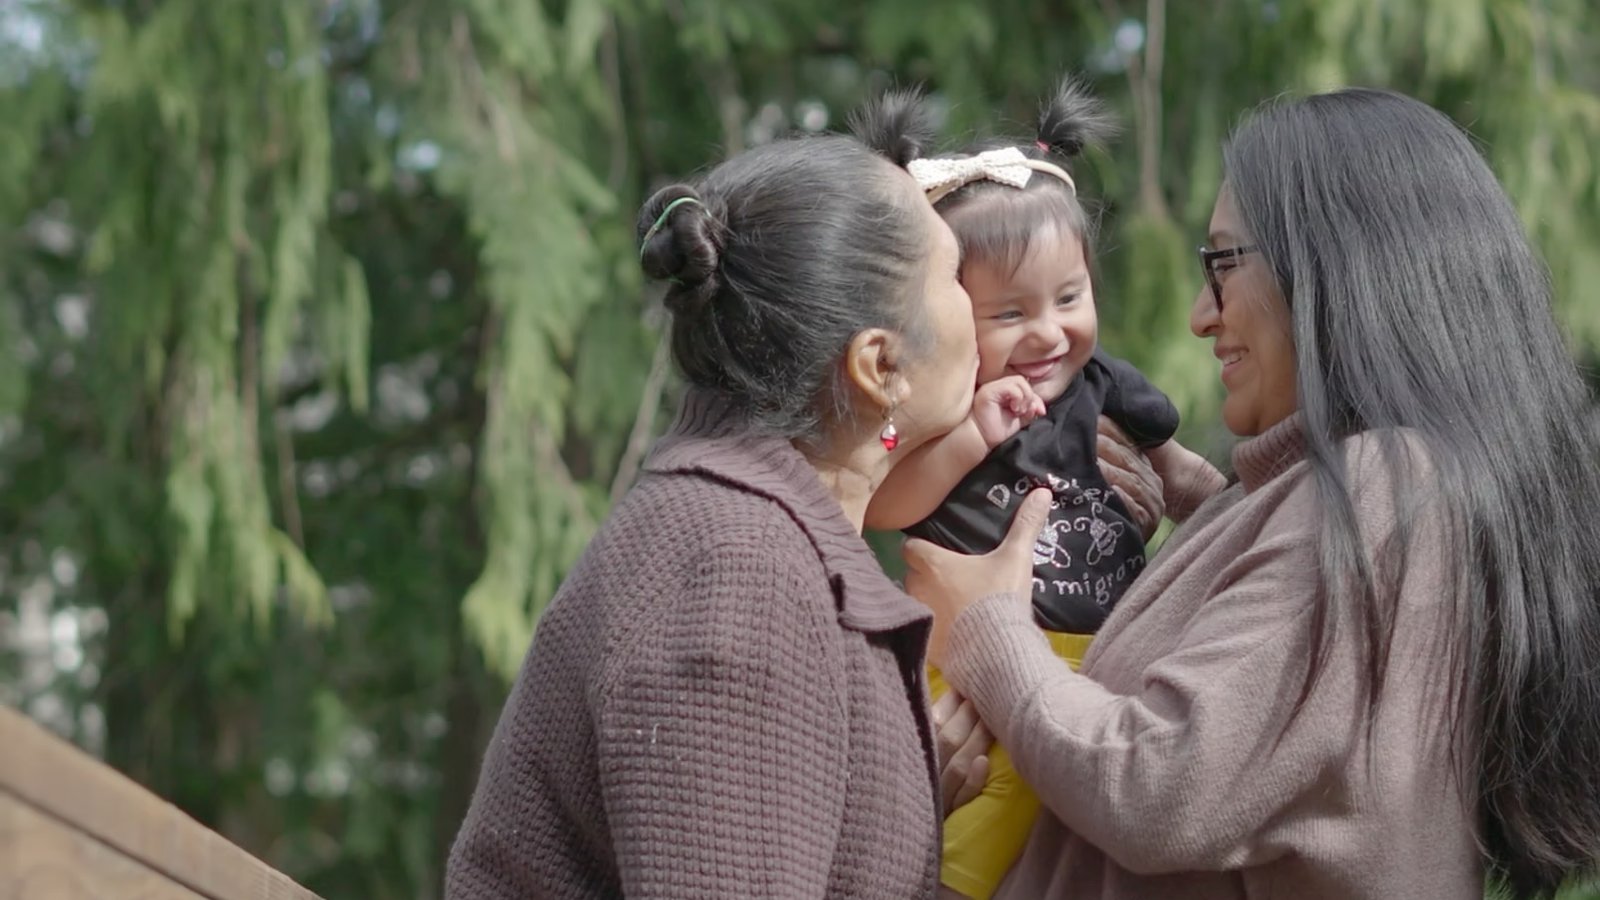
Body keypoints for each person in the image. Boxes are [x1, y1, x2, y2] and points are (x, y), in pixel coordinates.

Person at [908, 87, 1600, 899]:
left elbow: (1157, 785)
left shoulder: (1386, 487)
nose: (1202, 316)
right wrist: (1209, 511)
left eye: (1223, 265)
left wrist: (988, 625)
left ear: (1337, 266)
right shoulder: (1360, 493)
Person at [445, 129, 982, 898]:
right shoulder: (740, 574)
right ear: (879, 366)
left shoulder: (759, 539)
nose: (981, 305)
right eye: (956, 274)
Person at [859, 81, 1223, 900]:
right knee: (976, 837)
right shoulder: (949, 409)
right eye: (1009, 314)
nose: (1049, 332)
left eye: (1070, 298)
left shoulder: (1104, 386)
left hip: (1106, 666)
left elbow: (1188, 473)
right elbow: (884, 506)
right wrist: (971, 435)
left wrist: (1218, 499)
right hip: (980, 666)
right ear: (948, 321)